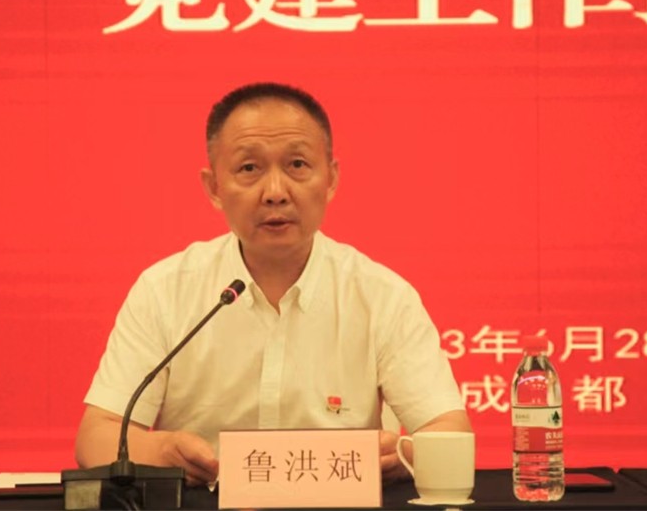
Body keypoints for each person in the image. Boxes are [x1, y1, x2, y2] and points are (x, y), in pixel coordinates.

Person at [74, 82, 471, 487]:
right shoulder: (165, 290)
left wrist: (401, 455)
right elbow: (96, 437)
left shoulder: (381, 296)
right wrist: (161, 451)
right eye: (249, 169)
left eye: (297, 165)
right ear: (214, 187)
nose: (276, 193)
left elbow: (449, 430)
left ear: (331, 179)